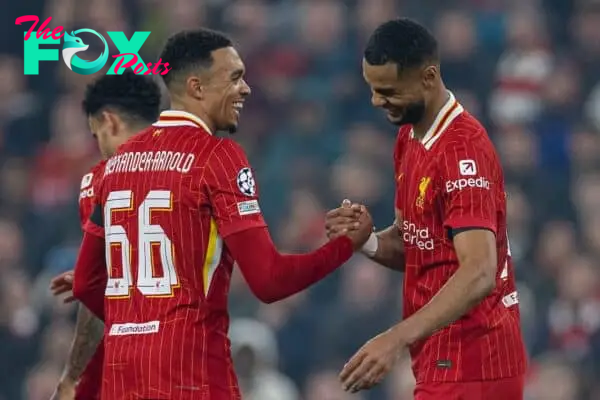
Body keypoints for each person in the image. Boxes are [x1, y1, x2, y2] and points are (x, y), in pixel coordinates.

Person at [70, 28, 372, 399]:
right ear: (197, 87)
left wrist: (138, 318)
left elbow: (86, 282)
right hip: (192, 375)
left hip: (122, 380)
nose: (245, 89)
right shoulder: (217, 157)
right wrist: (344, 246)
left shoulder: (115, 166)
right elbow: (269, 281)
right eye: (234, 78)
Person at [325, 18, 527, 399]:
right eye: (372, 88)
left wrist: (395, 338)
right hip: (442, 360)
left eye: (387, 90)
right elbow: (415, 247)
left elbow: (480, 271)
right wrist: (365, 241)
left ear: (428, 77)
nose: (376, 101)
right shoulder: (409, 136)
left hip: (476, 362)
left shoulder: (462, 151)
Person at [49, 71, 162, 400]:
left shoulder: (99, 183)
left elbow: (99, 291)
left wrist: (71, 377)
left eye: (96, 134)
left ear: (110, 122)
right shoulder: (201, 166)